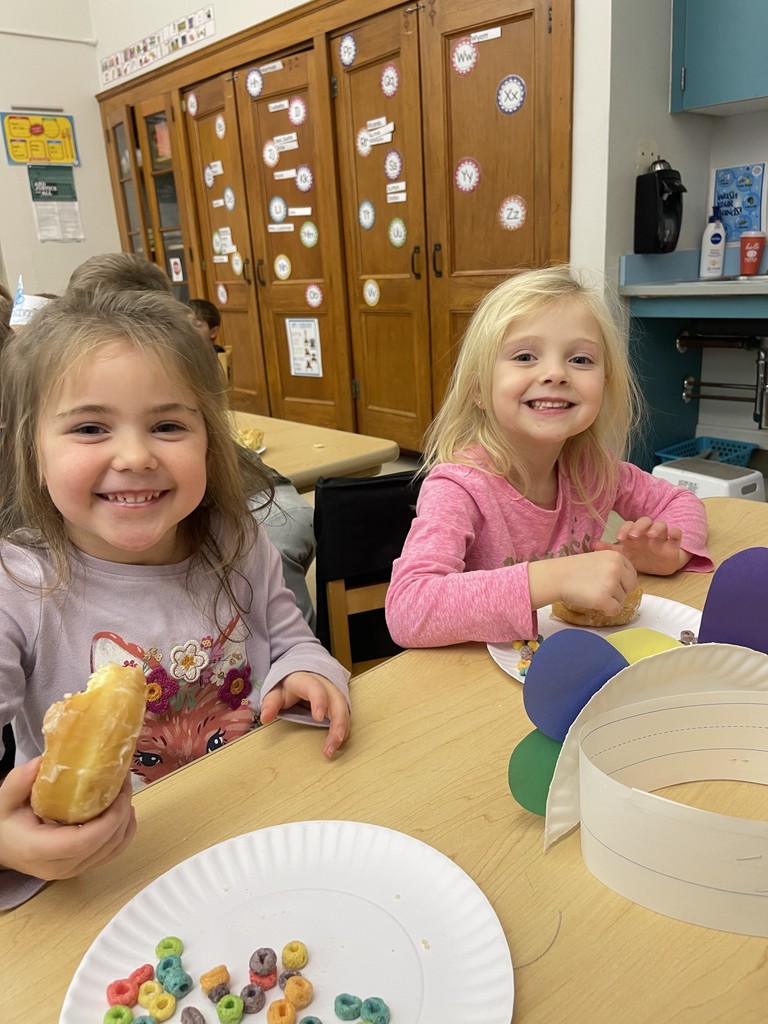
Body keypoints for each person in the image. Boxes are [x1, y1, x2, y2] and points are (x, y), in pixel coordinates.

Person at [0, 288, 350, 909]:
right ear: (33, 448)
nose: (135, 456)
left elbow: (295, 640)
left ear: (211, 441)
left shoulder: (237, 542)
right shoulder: (19, 587)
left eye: (167, 426)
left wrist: (308, 674)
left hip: (258, 833)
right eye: (89, 427)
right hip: (109, 879)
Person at [385, 265, 713, 648]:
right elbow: (408, 610)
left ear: (604, 385)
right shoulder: (460, 487)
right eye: (525, 356)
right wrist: (555, 578)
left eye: (580, 360)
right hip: (478, 682)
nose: (556, 373)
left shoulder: (594, 469)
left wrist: (670, 555)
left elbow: (680, 500)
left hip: (569, 664)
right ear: (478, 389)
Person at [188, 296, 318, 631]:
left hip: (266, 510)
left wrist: (302, 662)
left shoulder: (252, 540)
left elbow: (292, 641)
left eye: (166, 427)